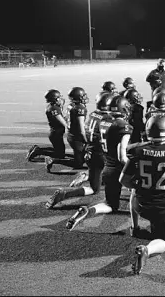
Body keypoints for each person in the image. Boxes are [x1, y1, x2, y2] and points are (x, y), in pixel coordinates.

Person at [119, 116, 165, 275]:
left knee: (134, 191)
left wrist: (138, 187)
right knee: (164, 242)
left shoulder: (136, 150)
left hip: (141, 205)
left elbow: (123, 179)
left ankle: (134, 226)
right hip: (164, 208)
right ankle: (147, 250)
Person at [66, 95, 133, 230]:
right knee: (140, 196)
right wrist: (132, 168)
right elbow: (122, 156)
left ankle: (88, 210)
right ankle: (137, 226)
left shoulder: (104, 121)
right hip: (119, 169)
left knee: (110, 204)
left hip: (107, 166)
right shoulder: (124, 126)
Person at [45, 93, 114, 209]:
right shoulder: (108, 119)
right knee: (117, 175)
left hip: (91, 152)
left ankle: (66, 192)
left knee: (95, 187)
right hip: (102, 154)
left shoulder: (93, 114)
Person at [27, 90, 68, 169]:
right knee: (60, 155)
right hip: (56, 133)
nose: (61, 98)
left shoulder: (53, 106)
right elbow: (62, 121)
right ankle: (39, 151)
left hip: (55, 132)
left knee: (58, 150)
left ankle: (38, 149)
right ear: (55, 99)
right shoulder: (54, 109)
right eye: (59, 97)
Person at [59, 87, 89, 171]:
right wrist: (86, 139)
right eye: (82, 96)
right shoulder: (80, 108)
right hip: (77, 136)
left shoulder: (71, 105)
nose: (84, 97)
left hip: (71, 134)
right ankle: (54, 161)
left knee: (81, 158)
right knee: (79, 163)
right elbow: (81, 126)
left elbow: (66, 118)